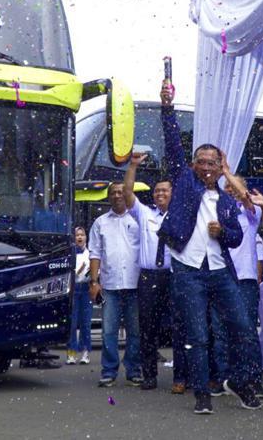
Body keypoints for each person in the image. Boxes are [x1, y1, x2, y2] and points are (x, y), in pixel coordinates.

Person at [155, 79, 262, 414]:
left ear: (220, 167)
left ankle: (241, 382)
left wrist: (222, 232)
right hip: (188, 270)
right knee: (197, 334)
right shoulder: (183, 182)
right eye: (200, 160)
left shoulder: (228, 201)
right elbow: (172, 144)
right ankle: (202, 393)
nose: (204, 166)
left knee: (243, 329)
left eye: (211, 162)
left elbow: (237, 237)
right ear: (193, 165)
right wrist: (167, 108)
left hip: (219, 272)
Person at [123, 154, 185, 391]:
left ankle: (181, 377)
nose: (160, 194)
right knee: (147, 328)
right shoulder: (145, 213)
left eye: (165, 191)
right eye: (157, 191)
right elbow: (128, 194)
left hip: (174, 276)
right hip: (149, 277)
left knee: (180, 328)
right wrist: (133, 166)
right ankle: (149, 375)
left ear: (173, 194)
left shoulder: (181, 217)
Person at [218, 160, 263, 399]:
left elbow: (244, 195)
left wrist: (226, 171)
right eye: (226, 187)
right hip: (222, 277)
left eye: (233, 187)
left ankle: (252, 378)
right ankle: (228, 378)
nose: (229, 190)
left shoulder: (252, 213)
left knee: (246, 330)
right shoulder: (221, 212)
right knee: (222, 330)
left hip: (245, 279)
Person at [88, 183, 143, 387]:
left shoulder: (138, 219)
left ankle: (133, 369)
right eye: (113, 193)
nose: (117, 195)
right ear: (108, 197)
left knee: (135, 331)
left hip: (135, 284)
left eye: (121, 192)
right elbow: (95, 253)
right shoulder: (100, 222)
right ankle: (109, 371)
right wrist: (94, 282)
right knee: (108, 331)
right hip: (109, 285)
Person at [67, 227, 91, 365]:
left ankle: (85, 352)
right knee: (72, 323)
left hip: (86, 289)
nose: (80, 237)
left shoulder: (90, 253)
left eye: (82, 235)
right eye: (77, 235)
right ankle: (71, 353)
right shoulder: (70, 254)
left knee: (85, 323)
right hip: (73, 289)